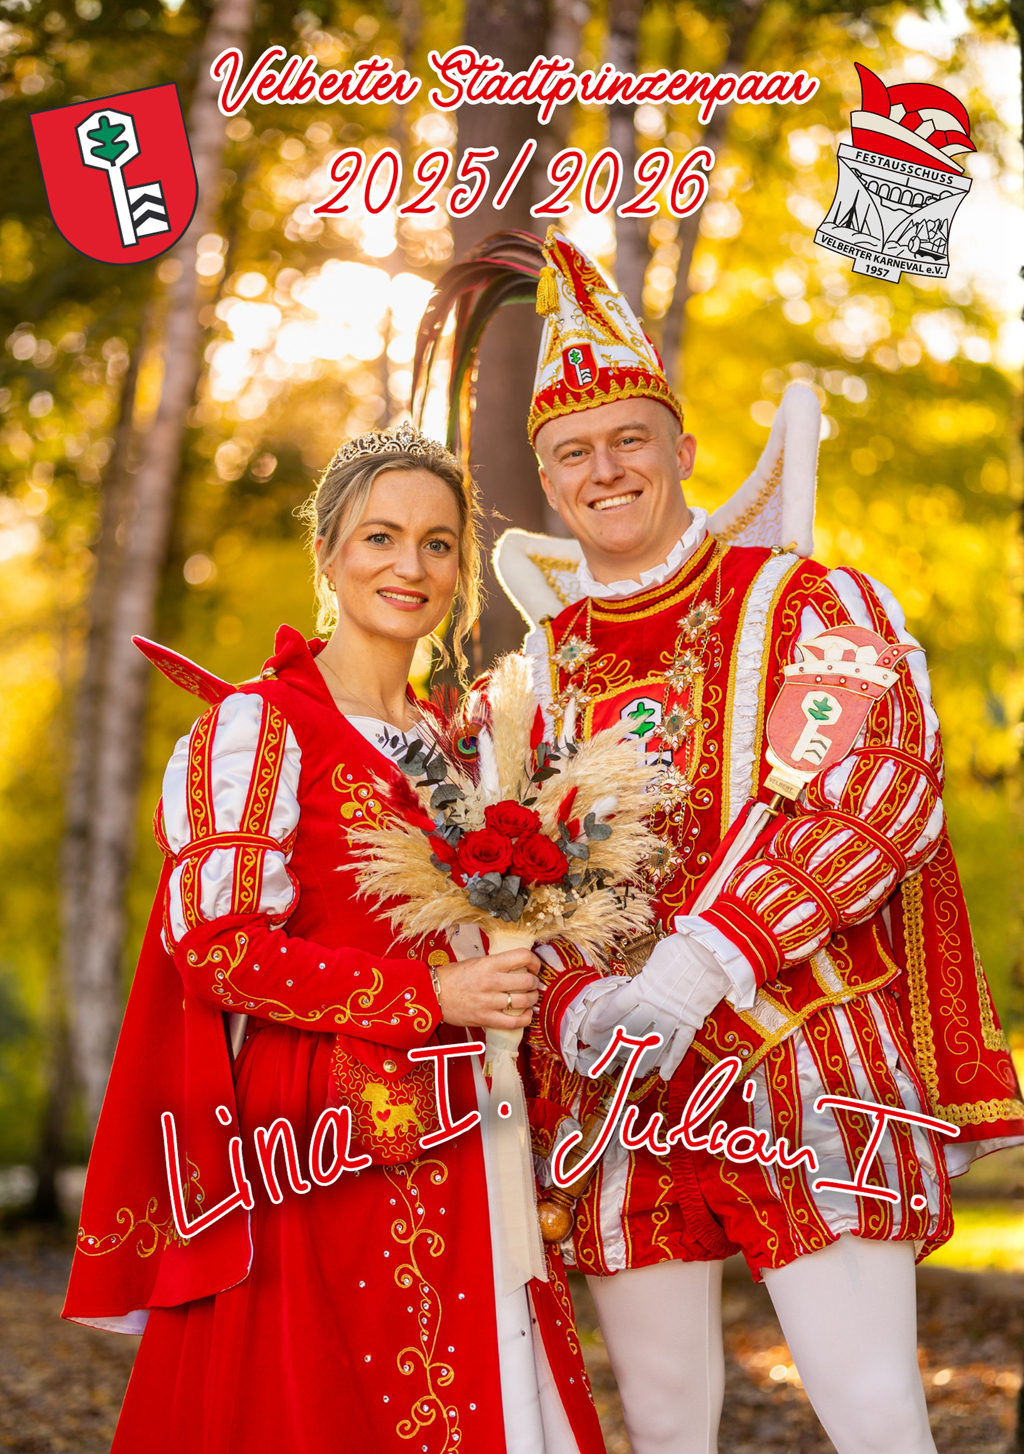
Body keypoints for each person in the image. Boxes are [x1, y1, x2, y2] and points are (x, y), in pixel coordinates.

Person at [419, 231, 1024, 1454]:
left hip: (804, 1055)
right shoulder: (531, 679)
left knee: (873, 1415)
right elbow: (506, 884)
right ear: (548, 482)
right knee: (664, 1427)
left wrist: (700, 963)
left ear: (682, 450)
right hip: (619, 1093)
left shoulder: (805, 600)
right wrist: (577, 1001)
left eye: (630, 439)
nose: (605, 470)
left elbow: (875, 792)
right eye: (573, 453)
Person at [62, 420, 605, 1454]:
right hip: (322, 1132)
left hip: (471, 1118)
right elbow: (215, 950)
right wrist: (428, 998)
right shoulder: (259, 726)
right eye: (380, 537)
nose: (412, 566)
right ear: (328, 555)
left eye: (438, 543)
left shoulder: (462, 743)